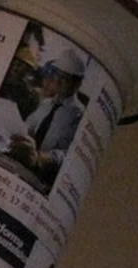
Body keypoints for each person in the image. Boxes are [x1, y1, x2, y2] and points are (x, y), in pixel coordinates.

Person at [8, 48, 87, 185]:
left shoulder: (79, 116)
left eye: (64, 78)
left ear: (77, 83)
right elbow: (27, 126)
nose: (57, 82)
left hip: (44, 178)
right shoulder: (45, 105)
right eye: (56, 75)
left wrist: (39, 158)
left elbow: (71, 155)